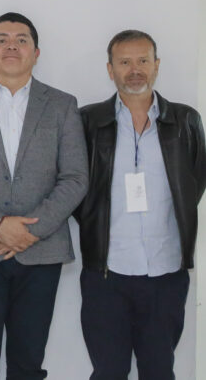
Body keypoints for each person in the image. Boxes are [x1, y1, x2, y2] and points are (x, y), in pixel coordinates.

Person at [0, 12, 88, 380]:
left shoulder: (62, 104)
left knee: (28, 363)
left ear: (36, 53)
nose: (12, 46)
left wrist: (29, 230)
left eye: (22, 40)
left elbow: (75, 178)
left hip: (41, 251)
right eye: (2, 39)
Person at [75, 30, 206, 380]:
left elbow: (193, 183)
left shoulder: (186, 121)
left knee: (159, 370)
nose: (135, 70)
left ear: (156, 65)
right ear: (110, 69)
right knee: (108, 371)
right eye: (125, 62)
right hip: (106, 271)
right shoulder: (88, 121)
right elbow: (76, 188)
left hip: (166, 271)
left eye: (143, 61)